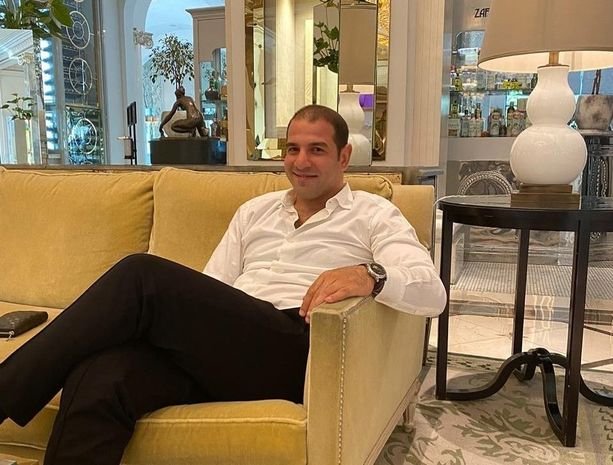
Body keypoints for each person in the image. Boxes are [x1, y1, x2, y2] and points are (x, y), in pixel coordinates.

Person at [0, 105, 446, 465]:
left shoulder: (372, 213)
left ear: (344, 157)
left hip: (297, 347)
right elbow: (213, 287)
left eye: (317, 150)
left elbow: (432, 292)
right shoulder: (254, 212)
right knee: (101, 376)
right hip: (228, 351)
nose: (301, 162)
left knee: (141, 276)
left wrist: (370, 276)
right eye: (292, 149)